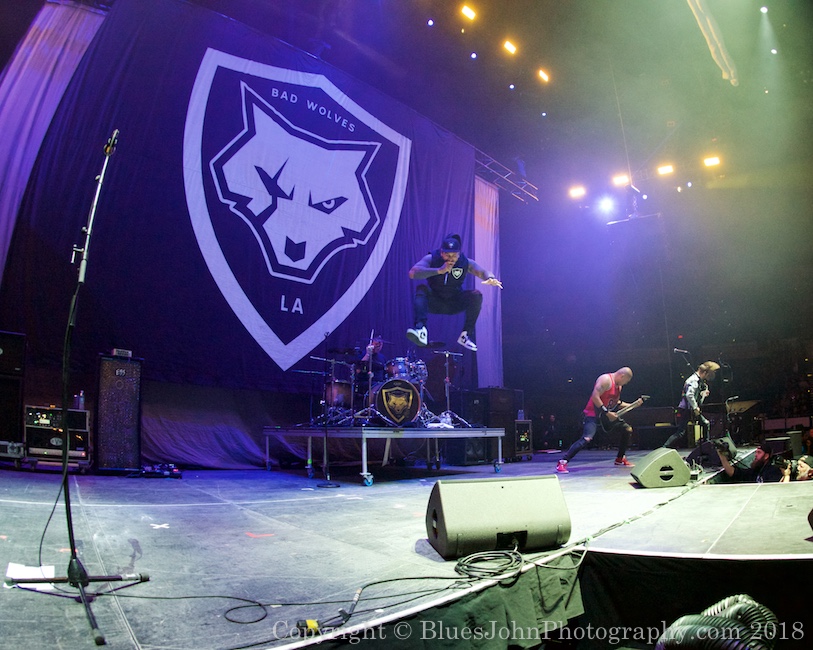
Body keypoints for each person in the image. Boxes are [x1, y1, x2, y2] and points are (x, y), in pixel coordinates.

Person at [406, 234, 502, 352]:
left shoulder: (465, 262)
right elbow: (413, 273)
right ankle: (421, 329)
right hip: (435, 302)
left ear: (459, 254)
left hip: (454, 302)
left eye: (454, 255)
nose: (450, 258)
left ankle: (466, 335)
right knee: (421, 289)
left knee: (476, 295)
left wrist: (490, 277)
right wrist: (439, 270)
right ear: (441, 252)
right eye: (447, 254)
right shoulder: (432, 258)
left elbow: (482, 272)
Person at [556, 367, 639, 473]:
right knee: (587, 438)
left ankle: (620, 458)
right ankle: (563, 461)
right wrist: (607, 413)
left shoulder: (619, 387)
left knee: (627, 429)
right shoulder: (606, 380)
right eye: (626, 381)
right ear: (622, 376)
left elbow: (616, 404)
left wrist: (633, 405)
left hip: (604, 416)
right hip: (592, 414)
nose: (625, 383)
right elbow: (595, 396)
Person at [663, 361, 720, 449]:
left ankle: (706, 446)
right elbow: (689, 395)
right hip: (687, 409)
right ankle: (664, 448)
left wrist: (703, 394)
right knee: (681, 432)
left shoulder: (696, 380)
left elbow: (693, 396)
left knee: (704, 424)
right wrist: (695, 407)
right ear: (705, 372)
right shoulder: (694, 380)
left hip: (688, 409)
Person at [715, 442, 783, 483]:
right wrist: (721, 455)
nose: (755, 455)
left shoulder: (773, 471)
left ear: (766, 456)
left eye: (759, 453)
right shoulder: (757, 469)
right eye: (756, 452)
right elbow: (733, 473)